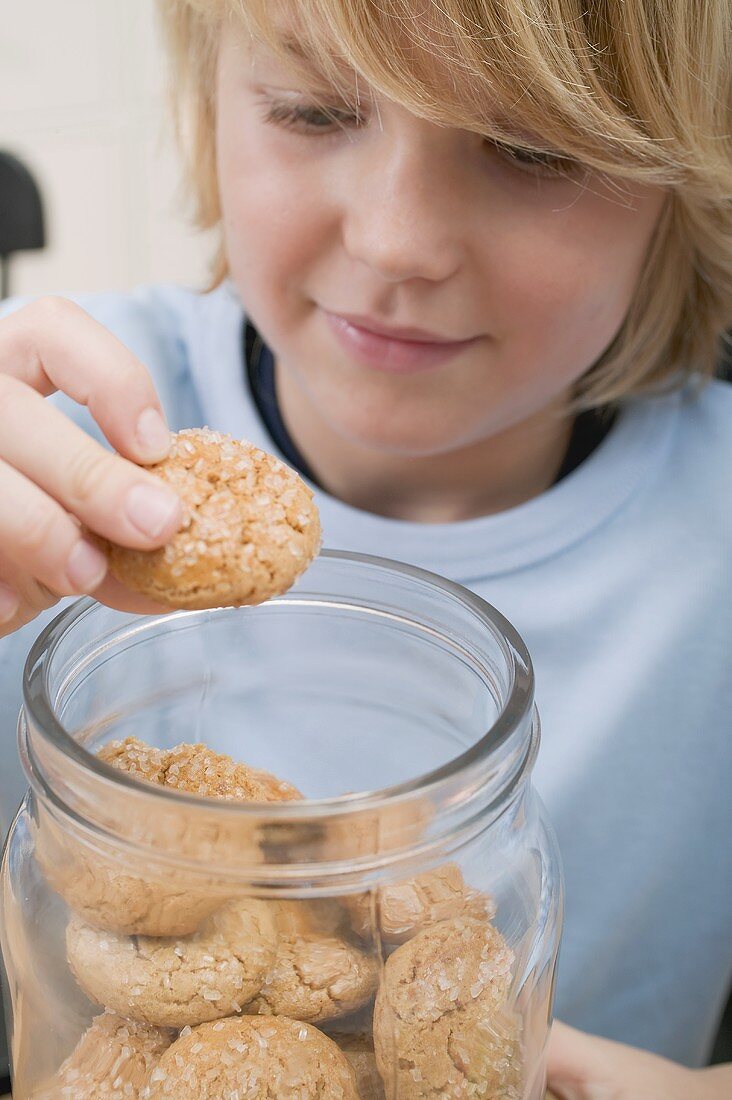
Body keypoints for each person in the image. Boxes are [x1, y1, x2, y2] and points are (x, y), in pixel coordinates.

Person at [0, 0, 730, 1094]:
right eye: (312, 109)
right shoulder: (48, 446)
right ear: (206, 107)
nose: (398, 240)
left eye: (532, 149)